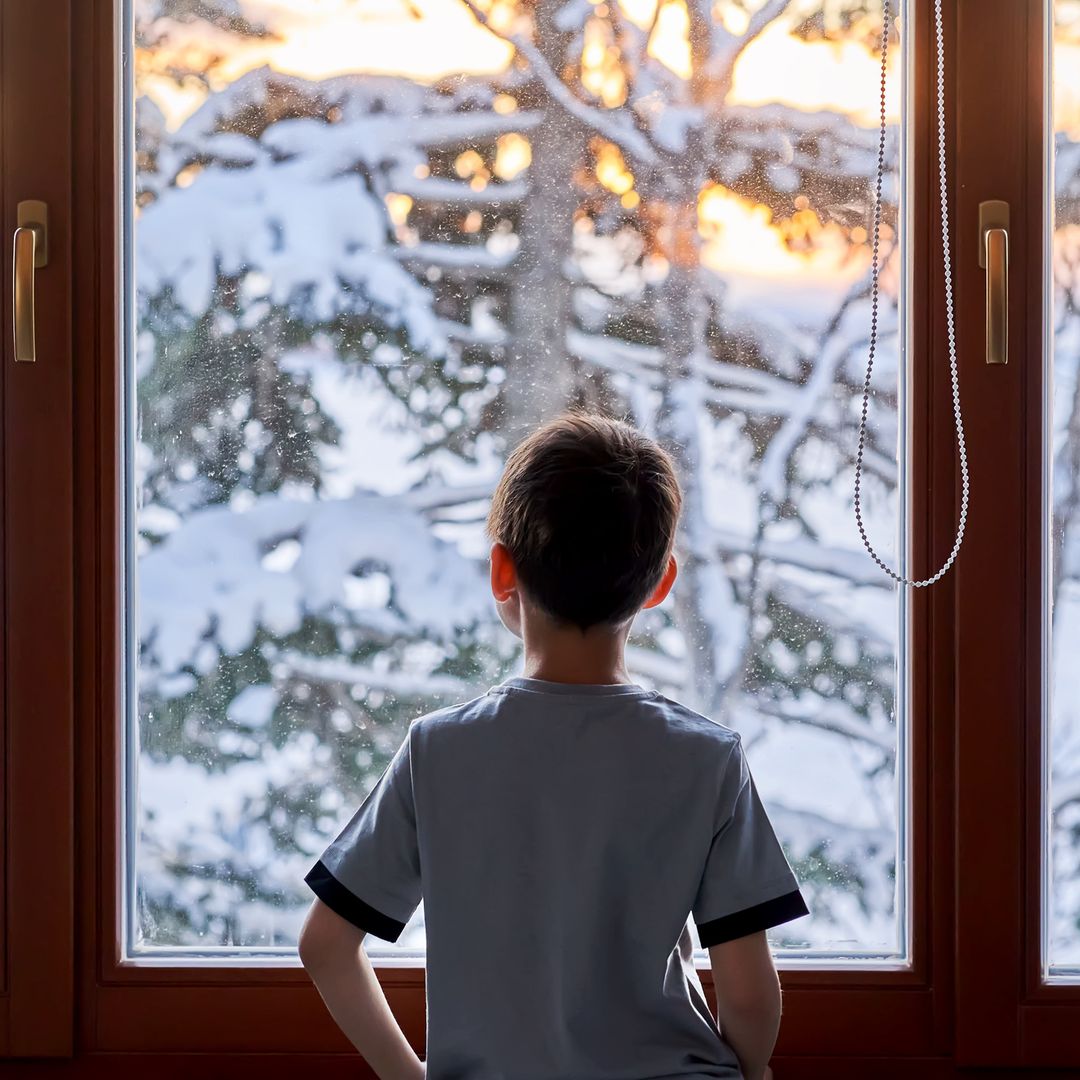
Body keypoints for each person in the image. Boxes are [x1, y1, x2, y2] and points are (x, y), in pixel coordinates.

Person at [299, 412, 809, 1080]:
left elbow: (326, 946)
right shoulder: (707, 759)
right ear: (660, 583)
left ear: (502, 572)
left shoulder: (438, 753)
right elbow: (749, 998)